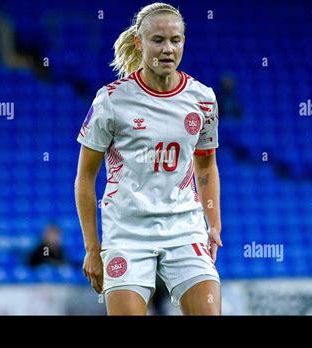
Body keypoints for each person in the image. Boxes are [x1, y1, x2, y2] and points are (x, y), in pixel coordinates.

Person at [74, 2, 222, 315]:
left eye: (175, 40)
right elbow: (85, 178)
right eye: (158, 40)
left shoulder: (203, 99)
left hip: (184, 227)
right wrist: (92, 248)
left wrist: (214, 225)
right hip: (127, 232)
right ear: (139, 43)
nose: (168, 49)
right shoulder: (111, 100)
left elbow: (206, 164)